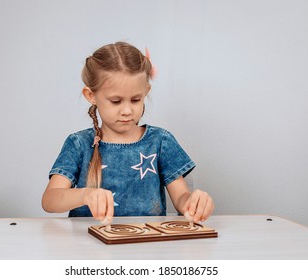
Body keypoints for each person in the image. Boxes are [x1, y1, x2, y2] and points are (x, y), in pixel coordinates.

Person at [42, 42, 214, 225]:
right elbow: (49, 201)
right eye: (116, 101)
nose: (127, 110)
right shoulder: (79, 144)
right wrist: (85, 194)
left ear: (146, 92)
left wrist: (194, 203)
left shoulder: (160, 141)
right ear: (91, 95)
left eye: (135, 100)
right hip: (89, 248)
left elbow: (181, 198)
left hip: (146, 247)